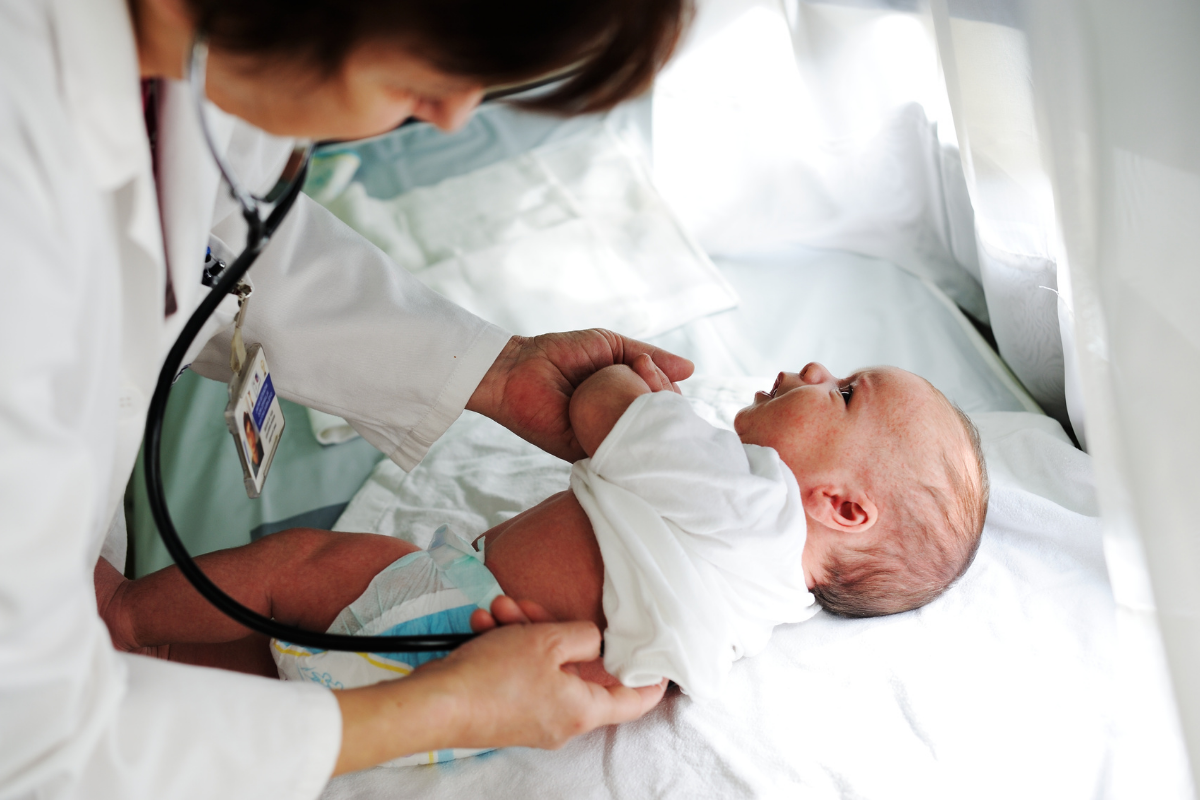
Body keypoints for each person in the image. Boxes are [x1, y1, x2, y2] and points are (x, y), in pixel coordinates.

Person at [1, 0, 694, 796]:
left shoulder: (193, 53)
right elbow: (33, 738)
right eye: (421, 79)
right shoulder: (19, 191)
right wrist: (446, 710)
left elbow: (221, 226)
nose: (452, 117)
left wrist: (497, 372)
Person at [97, 357, 989, 741]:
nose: (812, 372)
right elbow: (655, 678)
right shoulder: (770, 604)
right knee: (277, 666)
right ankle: (144, 672)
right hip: (478, 691)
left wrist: (633, 384)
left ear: (842, 507)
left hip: (453, 607)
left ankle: (126, 613)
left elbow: (605, 410)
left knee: (300, 568)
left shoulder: (754, 500)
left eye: (844, 394)